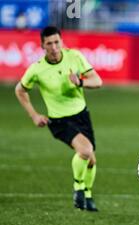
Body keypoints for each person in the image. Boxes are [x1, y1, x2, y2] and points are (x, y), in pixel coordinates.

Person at [15, 26, 103, 212]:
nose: (54, 47)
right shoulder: (37, 69)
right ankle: (78, 188)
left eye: (57, 42)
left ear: (62, 42)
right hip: (59, 121)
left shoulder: (75, 57)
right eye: (49, 44)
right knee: (85, 151)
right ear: (42, 46)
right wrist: (34, 115)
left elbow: (98, 81)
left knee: (92, 160)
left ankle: (87, 195)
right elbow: (20, 90)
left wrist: (80, 82)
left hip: (82, 115)